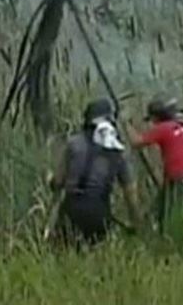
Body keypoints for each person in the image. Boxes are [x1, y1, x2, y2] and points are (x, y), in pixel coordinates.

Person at [49, 98, 141, 247]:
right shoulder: (118, 151)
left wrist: (51, 180)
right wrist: (136, 223)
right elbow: (130, 194)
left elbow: (58, 183)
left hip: (72, 209)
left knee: (62, 255)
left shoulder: (73, 143)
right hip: (99, 212)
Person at [127, 95, 183, 237]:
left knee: (162, 218)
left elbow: (136, 142)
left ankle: (160, 244)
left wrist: (126, 123)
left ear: (157, 117)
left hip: (177, 182)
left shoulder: (166, 128)